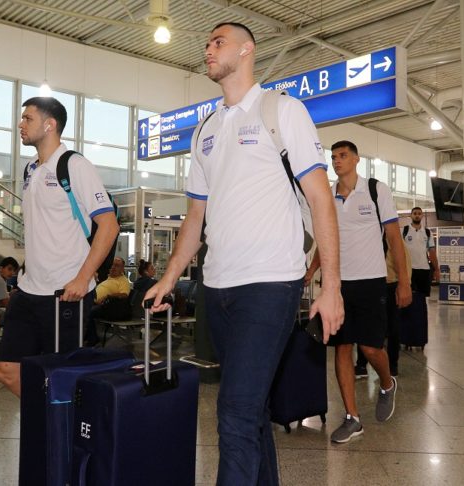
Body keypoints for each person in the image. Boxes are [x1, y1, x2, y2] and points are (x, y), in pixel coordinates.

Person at [145, 22, 344, 485]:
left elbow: (321, 200)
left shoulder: (282, 111)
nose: (208, 50)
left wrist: (331, 286)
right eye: (206, 43)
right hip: (217, 289)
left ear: (247, 50)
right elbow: (196, 216)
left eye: (218, 42)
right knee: (250, 411)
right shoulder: (205, 129)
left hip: (270, 284)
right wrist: (170, 277)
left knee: (234, 411)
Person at [0, 96, 118, 397]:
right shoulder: (30, 169)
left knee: (60, 378)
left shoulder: (75, 165)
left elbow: (109, 225)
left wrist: (82, 278)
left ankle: (64, 424)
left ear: (50, 125)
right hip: (29, 290)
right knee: (7, 370)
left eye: (28, 119)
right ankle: (47, 418)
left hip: (65, 293)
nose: (21, 124)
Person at [306, 140, 411, 444]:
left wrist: (404, 282)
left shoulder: (376, 190)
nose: (336, 161)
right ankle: (352, 418)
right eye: (333, 157)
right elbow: (326, 239)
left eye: (342, 156)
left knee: (370, 348)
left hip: (371, 282)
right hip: (338, 284)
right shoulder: (328, 195)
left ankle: (387, 384)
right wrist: (312, 270)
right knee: (342, 348)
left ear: (356, 159)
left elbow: (394, 238)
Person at [355, 233, 411, 378]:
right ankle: (361, 365)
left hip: (391, 286)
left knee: (393, 328)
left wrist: (405, 285)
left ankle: (392, 365)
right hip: (370, 286)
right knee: (365, 327)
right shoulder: (369, 238)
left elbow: (405, 263)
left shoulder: (395, 240)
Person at [84, 256, 130, 346]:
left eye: (117, 265)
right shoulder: (108, 279)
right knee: (80, 310)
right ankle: (85, 336)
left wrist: (107, 296)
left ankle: (93, 339)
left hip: (108, 307)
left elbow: (124, 294)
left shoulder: (123, 280)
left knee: (88, 312)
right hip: (94, 302)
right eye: (112, 265)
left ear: (122, 269)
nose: (113, 267)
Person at [402, 207, 439, 294]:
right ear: (411, 215)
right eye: (415, 213)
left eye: (419, 214)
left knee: (422, 297)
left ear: (422, 216)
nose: (417, 215)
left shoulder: (427, 232)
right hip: (409, 269)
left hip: (424, 269)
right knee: (410, 295)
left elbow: (432, 252)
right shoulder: (404, 230)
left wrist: (436, 269)